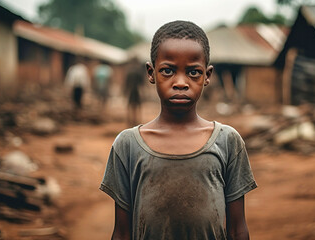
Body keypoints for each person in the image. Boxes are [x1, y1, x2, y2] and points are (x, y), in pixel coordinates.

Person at [99, 20, 257, 240]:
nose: (181, 82)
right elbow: (122, 232)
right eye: (167, 71)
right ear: (151, 72)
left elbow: (237, 229)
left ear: (207, 75)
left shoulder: (227, 142)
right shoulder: (127, 146)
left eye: (193, 72)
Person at [124, 58, 144, 126]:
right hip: (137, 90)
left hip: (131, 90)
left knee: (130, 105)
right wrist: (143, 92)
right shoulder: (139, 71)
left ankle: (129, 120)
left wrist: (125, 91)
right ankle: (137, 120)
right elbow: (142, 84)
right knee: (137, 106)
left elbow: (126, 83)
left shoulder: (129, 71)